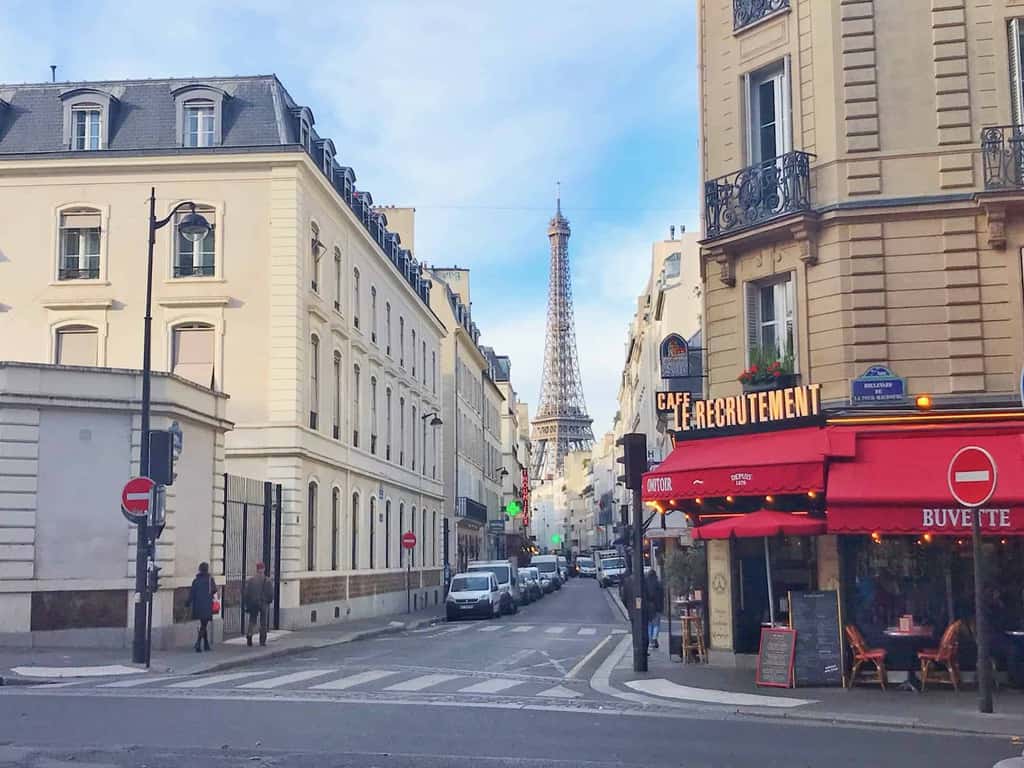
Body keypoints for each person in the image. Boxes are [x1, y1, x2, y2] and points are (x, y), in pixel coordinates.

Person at [185, 561, 217, 653]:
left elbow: (192, 594)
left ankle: (206, 644)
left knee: (203, 624)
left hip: (198, 605)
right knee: (204, 625)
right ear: (207, 570)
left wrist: (187, 603)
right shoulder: (210, 580)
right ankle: (198, 643)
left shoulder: (196, 581)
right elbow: (214, 590)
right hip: (207, 605)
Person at [243, 561, 274, 647]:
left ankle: (249, 634)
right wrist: (269, 601)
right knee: (263, 622)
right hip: (263, 603)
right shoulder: (267, 580)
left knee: (252, 620)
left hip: (253, 602)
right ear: (263, 569)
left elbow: (246, 593)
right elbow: (270, 593)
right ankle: (262, 640)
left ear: (257, 569)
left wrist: (247, 603)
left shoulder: (251, 580)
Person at [645, 568, 664, 649]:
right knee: (656, 624)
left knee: (649, 624)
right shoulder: (658, 584)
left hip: (648, 607)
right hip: (657, 607)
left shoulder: (645, 584)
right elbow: (662, 597)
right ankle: (654, 639)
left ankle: (650, 640)